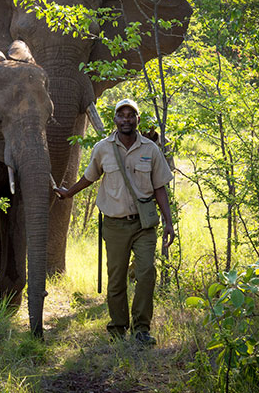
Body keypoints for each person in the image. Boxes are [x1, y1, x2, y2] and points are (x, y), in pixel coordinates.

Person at [54, 98, 175, 345]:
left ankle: (141, 329)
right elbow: (89, 177)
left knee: (146, 273)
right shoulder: (102, 148)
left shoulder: (150, 150)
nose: (126, 120)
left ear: (138, 120)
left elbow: (160, 187)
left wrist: (169, 222)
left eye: (131, 115)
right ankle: (118, 328)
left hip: (144, 225)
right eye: (122, 115)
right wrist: (68, 193)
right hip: (115, 224)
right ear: (115, 120)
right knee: (117, 278)